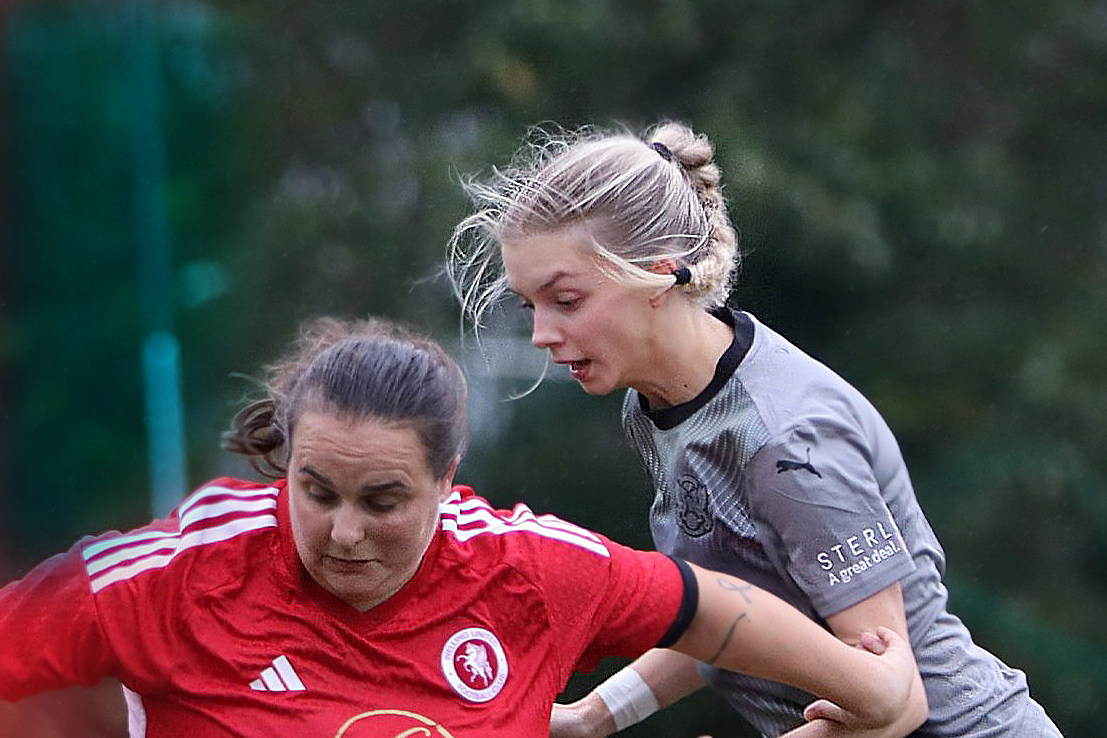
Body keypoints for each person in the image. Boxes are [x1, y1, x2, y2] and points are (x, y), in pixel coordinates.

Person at [0, 316, 925, 738]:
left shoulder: (526, 569)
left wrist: (870, 690)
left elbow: (706, 607)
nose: (343, 534)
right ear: (286, 460)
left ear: (448, 482)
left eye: (383, 501)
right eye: (315, 491)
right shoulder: (173, 575)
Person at [445, 121, 1065, 737]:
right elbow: (735, 612)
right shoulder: (656, 404)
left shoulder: (785, 441)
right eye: (532, 306)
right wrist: (590, 719)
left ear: (659, 275)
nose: (541, 334)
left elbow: (893, 706)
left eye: (567, 301)